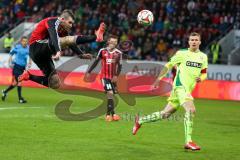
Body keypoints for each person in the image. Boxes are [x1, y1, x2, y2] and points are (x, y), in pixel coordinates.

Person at [132, 32, 208, 151]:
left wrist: (201, 79)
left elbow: (204, 73)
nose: (193, 41)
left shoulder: (203, 57)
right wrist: (158, 79)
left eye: (196, 40)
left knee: (165, 114)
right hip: (179, 86)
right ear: (188, 42)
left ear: (200, 42)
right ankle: (189, 141)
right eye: (191, 39)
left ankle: (140, 121)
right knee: (191, 109)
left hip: (187, 89)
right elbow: (168, 65)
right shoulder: (182, 54)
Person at [18, 9, 105, 89]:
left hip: (43, 55)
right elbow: (54, 36)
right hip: (35, 46)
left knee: (54, 83)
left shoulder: (63, 30)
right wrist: (58, 51)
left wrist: (81, 54)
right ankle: (95, 37)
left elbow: (70, 42)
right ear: (62, 19)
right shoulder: (52, 21)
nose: (71, 26)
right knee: (64, 39)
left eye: (72, 23)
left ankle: (28, 76)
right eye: (70, 22)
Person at [86, 35, 122, 122]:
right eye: (112, 41)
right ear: (108, 42)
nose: (114, 43)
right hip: (105, 77)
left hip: (113, 78)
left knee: (112, 95)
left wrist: (116, 76)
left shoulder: (119, 53)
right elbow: (96, 61)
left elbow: (120, 66)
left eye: (115, 42)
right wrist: (89, 71)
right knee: (110, 94)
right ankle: (108, 115)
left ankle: (113, 114)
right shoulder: (102, 51)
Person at [2, 36, 32, 103]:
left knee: (15, 83)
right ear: (21, 41)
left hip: (22, 68)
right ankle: (20, 99)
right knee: (20, 81)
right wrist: (9, 62)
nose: (25, 42)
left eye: (26, 41)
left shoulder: (28, 48)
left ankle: (5, 92)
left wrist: (30, 62)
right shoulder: (17, 47)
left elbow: (30, 55)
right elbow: (11, 54)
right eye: (23, 41)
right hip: (16, 67)